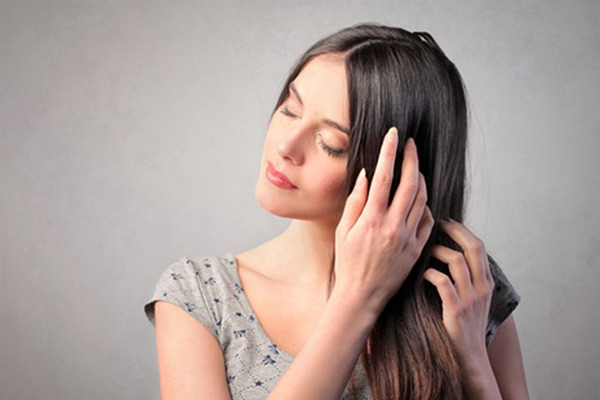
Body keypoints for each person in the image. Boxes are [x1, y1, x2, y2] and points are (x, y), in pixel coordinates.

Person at [144, 22, 529, 400]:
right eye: (291, 110)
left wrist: (474, 363)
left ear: (400, 174)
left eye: (330, 143)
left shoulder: (464, 284)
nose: (285, 145)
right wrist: (357, 298)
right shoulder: (199, 294)